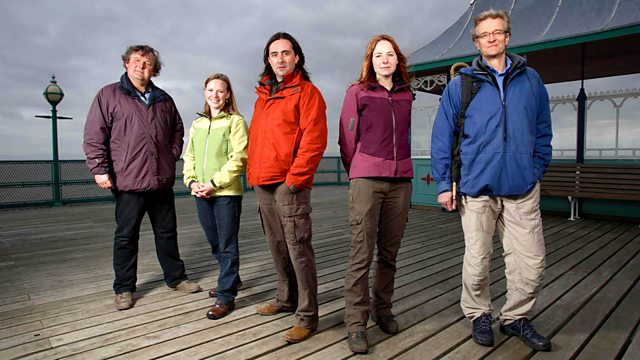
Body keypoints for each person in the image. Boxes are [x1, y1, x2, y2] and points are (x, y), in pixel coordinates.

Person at [431, 10, 553, 351]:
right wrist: (444, 184)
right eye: (485, 34)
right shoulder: (461, 85)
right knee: (477, 259)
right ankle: (479, 314)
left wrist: (535, 168)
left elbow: (543, 129)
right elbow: (443, 137)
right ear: (477, 41)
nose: (492, 38)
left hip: (522, 186)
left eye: (498, 32)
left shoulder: (531, 81)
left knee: (530, 261)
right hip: (476, 187)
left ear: (508, 37)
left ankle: (516, 317)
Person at [83, 44, 201, 311]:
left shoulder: (164, 99)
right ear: (126, 63)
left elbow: (177, 132)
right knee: (126, 236)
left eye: (147, 63)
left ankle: (176, 277)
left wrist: (170, 157)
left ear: (154, 69)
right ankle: (124, 288)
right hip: (128, 181)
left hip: (160, 180)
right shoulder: (108, 95)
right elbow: (94, 135)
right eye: (136, 61)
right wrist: (99, 169)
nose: (141, 66)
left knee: (167, 232)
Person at [246, 32, 328, 343]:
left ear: (296, 57)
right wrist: (252, 174)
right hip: (262, 183)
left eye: (286, 53)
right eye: (274, 54)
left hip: (288, 184)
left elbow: (314, 140)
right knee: (277, 246)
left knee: (298, 248)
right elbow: (259, 140)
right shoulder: (263, 96)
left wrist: (294, 180)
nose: (280, 59)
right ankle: (286, 298)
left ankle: (307, 316)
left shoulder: (308, 93)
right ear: (268, 59)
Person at [338, 34, 414, 354]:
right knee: (361, 251)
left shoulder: (406, 94)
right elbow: (347, 137)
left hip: (401, 181)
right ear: (370, 61)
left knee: (389, 253)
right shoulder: (358, 92)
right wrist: (360, 168)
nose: (385, 59)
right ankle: (356, 322)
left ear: (398, 60)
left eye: (390, 54)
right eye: (378, 55)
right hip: (367, 179)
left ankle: (383, 310)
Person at [183, 73, 248, 320]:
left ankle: (226, 296)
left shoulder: (235, 122)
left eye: (220, 91)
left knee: (227, 244)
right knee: (214, 241)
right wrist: (191, 182)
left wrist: (213, 183)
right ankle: (232, 279)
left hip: (226, 193)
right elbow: (189, 156)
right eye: (210, 90)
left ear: (228, 94)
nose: (215, 95)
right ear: (204, 92)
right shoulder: (198, 124)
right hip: (201, 192)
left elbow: (239, 158)